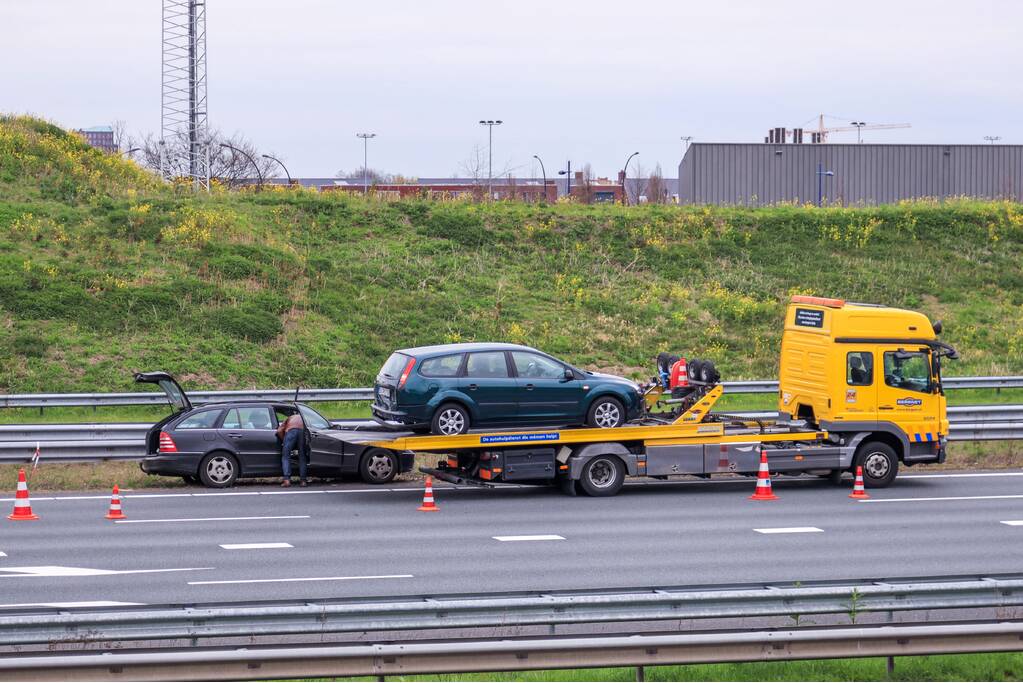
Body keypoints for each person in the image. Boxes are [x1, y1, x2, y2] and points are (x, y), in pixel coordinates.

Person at [277, 411, 308, 487]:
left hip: (291, 431)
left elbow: (279, 431)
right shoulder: (305, 418)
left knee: (286, 456)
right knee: (302, 457)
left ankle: (287, 480)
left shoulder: (290, 418)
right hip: (302, 432)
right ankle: (303, 481)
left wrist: (284, 440)